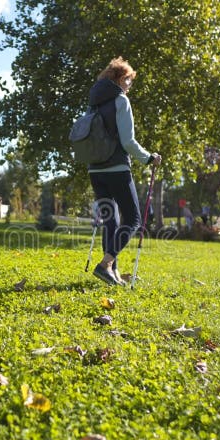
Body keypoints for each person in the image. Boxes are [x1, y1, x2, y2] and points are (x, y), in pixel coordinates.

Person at [86, 56, 162, 286]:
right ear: (119, 79)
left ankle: (112, 272)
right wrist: (148, 158)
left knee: (111, 220)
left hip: (95, 169)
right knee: (134, 218)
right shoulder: (121, 100)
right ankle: (105, 264)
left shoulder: (93, 103)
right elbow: (128, 141)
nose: (130, 85)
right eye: (129, 80)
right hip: (117, 167)